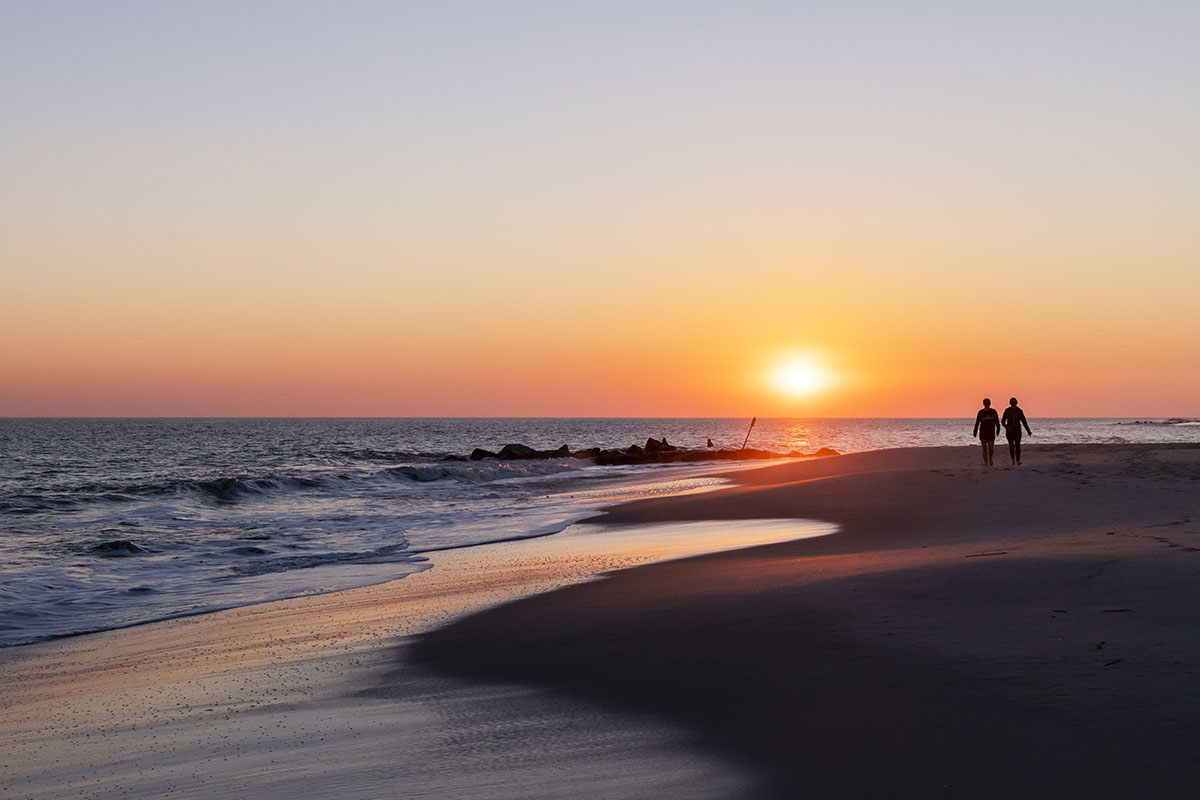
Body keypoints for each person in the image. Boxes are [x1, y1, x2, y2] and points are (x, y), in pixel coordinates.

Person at [1002, 397, 1033, 465]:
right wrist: (1007, 427)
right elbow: (1002, 421)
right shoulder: (1007, 410)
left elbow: (1024, 421)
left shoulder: (1019, 411)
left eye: (1014, 403)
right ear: (1010, 403)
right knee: (1011, 445)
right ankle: (1013, 460)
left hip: (1017, 430)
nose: (1013, 404)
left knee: (1017, 445)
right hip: (1009, 431)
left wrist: (1028, 431)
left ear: (1016, 403)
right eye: (1011, 403)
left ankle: (1018, 460)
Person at [972, 398, 1000, 466]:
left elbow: (997, 422)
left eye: (988, 403)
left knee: (991, 450)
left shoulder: (993, 412)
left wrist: (998, 430)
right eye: (985, 403)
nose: (987, 404)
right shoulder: (981, 412)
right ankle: (986, 463)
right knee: (984, 449)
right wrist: (975, 431)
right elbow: (977, 422)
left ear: (990, 404)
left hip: (991, 432)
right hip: (983, 432)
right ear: (983, 404)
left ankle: (990, 458)